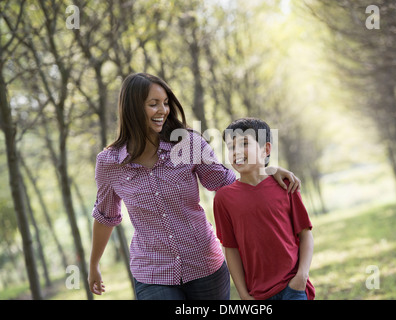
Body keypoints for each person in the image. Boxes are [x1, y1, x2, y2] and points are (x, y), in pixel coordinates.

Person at [88, 73, 301, 300]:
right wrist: (94, 265)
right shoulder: (109, 163)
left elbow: (227, 181)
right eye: (153, 104)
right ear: (132, 109)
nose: (163, 110)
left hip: (205, 265)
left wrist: (266, 170)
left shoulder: (187, 143)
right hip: (152, 272)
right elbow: (105, 216)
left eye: (166, 103)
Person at [213, 117, 315, 300]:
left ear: (265, 149)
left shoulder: (285, 185)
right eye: (231, 147)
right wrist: (244, 295)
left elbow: (305, 234)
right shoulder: (223, 198)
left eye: (244, 143)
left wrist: (301, 277)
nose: (236, 152)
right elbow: (231, 249)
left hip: (293, 287)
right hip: (258, 295)